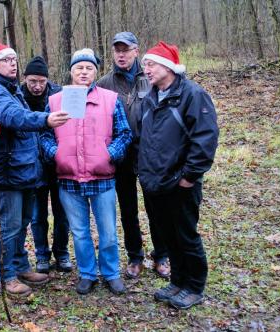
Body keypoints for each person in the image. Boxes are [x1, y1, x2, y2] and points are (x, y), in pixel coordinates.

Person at [0, 42, 69, 297]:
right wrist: (45, 119)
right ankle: (6, 276)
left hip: (24, 169)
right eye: (7, 60)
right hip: (7, 170)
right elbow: (13, 116)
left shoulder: (10, 88)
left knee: (24, 221)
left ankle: (21, 266)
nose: (13, 63)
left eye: (15, 59)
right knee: (10, 225)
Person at [134, 41, 219, 309]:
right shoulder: (150, 98)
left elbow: (205, 139)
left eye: (151, 64)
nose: (146, 69)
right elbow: (143, 139)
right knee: (167, 235)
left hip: (180, 184)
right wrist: (143, 172)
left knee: (185, 235)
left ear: (168, 67)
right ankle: (178, 281)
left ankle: (194, 287)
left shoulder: (193, 95)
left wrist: (189, 177)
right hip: (154, 182)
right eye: (145, 64)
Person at [41, 48, 132, 295]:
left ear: (95, 72)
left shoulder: (110, 99)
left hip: (102, 178)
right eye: (79, 68)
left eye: (88, 68)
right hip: (69, 179)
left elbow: (124, 134)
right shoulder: (55, 100)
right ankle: (87, 274)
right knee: (80, 233)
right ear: (71, 71)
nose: (84, 72)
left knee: (109, 233)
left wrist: (109, 154)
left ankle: (111, 273)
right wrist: (55, 153)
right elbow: (45, 136)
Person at [98, 32, 170, 279]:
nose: (121, 54)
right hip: (121, 156)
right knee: (128, 208)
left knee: (156, 206)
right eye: (117, 50)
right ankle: (135, 256)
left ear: (136, 51)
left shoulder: (150, 78)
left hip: (149, 155)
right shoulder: (104, 84)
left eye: (126, 49)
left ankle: (161, 256)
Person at [20, 56, 73, 274]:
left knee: (62, 213)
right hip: (32, 166)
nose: (37, 86)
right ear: (25, 79)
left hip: (59, 163)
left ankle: (61, 253)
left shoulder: (59, 95)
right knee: (37, 214)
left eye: (41, 81)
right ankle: (42, 254)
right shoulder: (18, 97)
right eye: (33, 81)